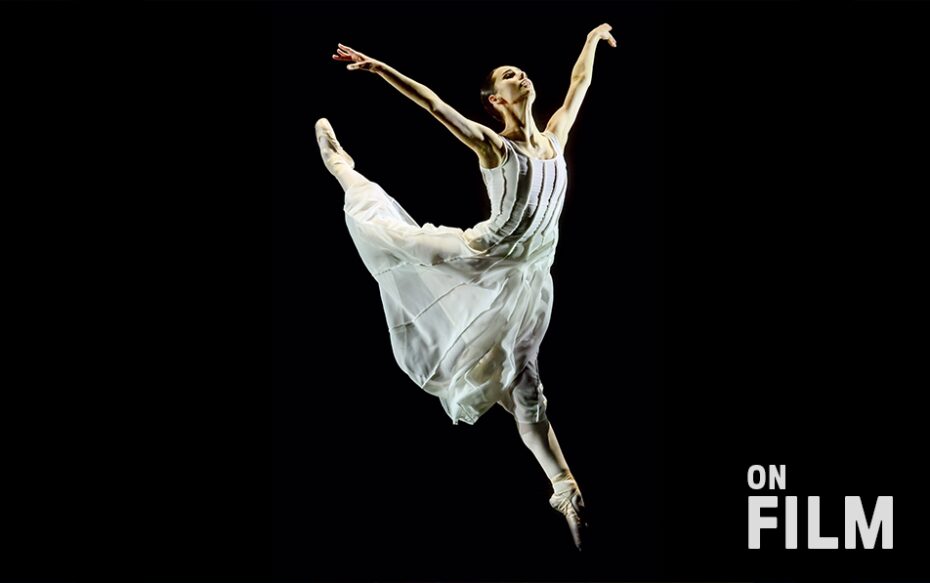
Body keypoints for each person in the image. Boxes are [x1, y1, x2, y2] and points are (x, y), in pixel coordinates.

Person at [315, 23, 618, 550]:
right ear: (495, 101)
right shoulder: (493, 147)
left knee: (526, 384)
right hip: (482, 252)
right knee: (398, 239)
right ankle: (347, 173)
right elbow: (434, 105)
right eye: (507, 75)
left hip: (526, 276)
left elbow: (580, 84)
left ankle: (565, 488)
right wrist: (381, 68)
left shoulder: (555, 135)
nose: (519, 74)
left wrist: (592, 39)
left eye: (520, 70)